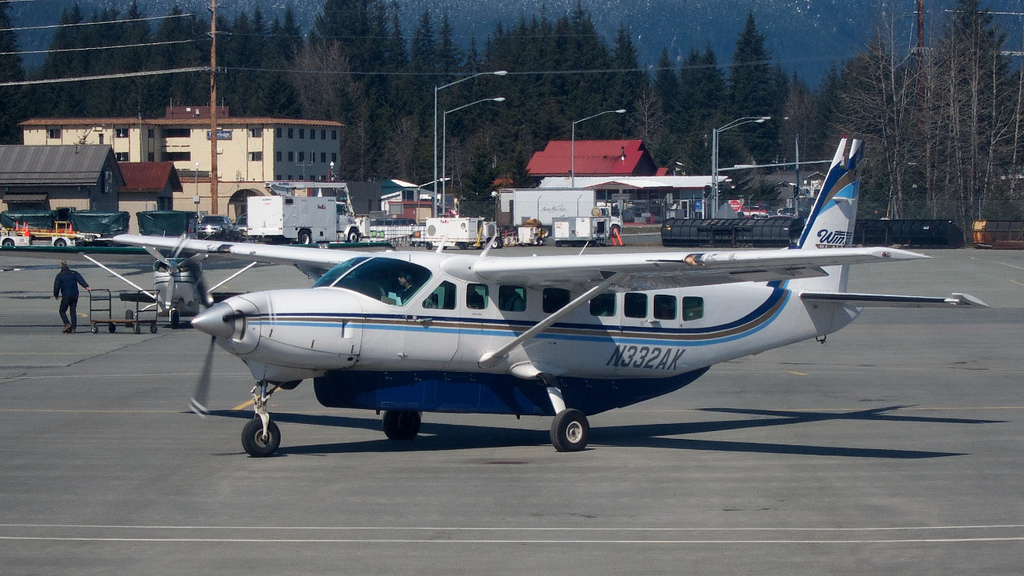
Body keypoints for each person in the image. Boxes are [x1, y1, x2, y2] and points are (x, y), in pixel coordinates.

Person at [53, 261, 90, 333]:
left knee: (62, 311)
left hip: (66, 295)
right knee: (73, 311)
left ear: (61, 267)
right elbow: (80, 280)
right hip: (75, 295)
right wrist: (86, 286)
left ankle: (67, 324)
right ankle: (73, 328)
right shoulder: (74, 273)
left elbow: (56, 286)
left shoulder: (59, 275)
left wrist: (56, 295)